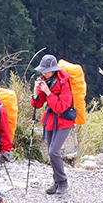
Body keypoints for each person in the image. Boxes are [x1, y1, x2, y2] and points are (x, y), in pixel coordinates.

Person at [30, 55, 77, 195]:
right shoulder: (46, 81)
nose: (44, 73)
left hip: (64, 121)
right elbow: (37, 105)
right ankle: (56, 182)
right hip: (50, 120)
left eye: (47, 70)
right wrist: (35, 90)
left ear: (54, 70)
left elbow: (61, 107)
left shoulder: (64, 83)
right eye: (43, 71)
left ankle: (63, 181)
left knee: (53, 151)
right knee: (51, 154)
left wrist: (48, 92)